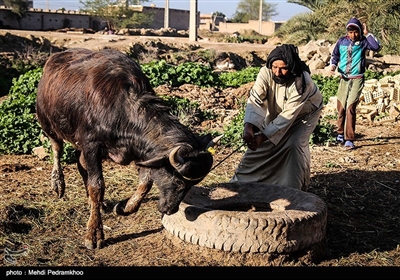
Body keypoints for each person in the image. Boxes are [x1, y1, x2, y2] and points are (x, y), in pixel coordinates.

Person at [230, 44, 323, 191]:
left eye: (283, 68)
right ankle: (240, 183)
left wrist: (262, 137)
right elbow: (256, 100)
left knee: (293, 144)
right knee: (265, 143)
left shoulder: (302, 83)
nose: (278, 72)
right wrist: (249, 127)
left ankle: (292, 190)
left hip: (304, 114)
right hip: (279, 108)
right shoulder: (265, 73)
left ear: (291, 67)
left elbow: (287, 116)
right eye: (274, 67)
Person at [329, 17, 381, 150]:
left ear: (359, 31)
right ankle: (340, 133)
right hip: (344, 78)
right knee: (341, 107)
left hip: (357, 78)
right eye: (351, 31)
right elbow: (335, 55)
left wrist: (367, 33)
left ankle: (349, 138)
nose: (353, 34)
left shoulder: (363, 42)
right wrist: (333, 65)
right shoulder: (342, 41)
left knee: (350, 107)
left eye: (356, 31)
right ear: (347, 31)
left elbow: (376, 46)